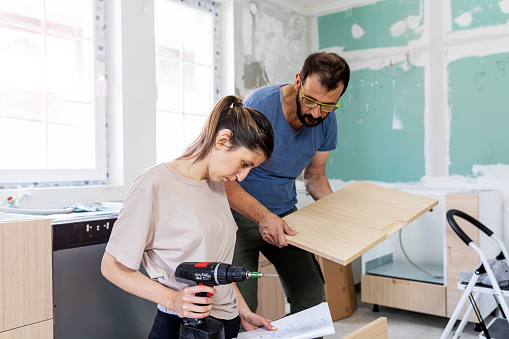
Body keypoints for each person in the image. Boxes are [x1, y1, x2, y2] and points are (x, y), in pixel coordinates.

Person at [101, 95, 277, 339]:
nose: (243, 176)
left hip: (227, 323)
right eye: (244, 163)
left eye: (250, 168)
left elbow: (214, 267)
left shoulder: (216, 185)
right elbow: (112, 267)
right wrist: (173, 299)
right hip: (182, 326)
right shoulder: (154, 183)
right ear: (223, 140)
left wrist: (243, 311)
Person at [224, 52, 350, 315]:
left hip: (284, 214)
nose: (316, 113)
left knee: (312, 296)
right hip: (237, 215)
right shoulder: (259, 105)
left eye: (328, 105)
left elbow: (315, 177)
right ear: (298, 81)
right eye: (310, 100)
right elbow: (227, 177)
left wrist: (344, 219)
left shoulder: (327, 121)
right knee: (240, 306)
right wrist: (263, 217)